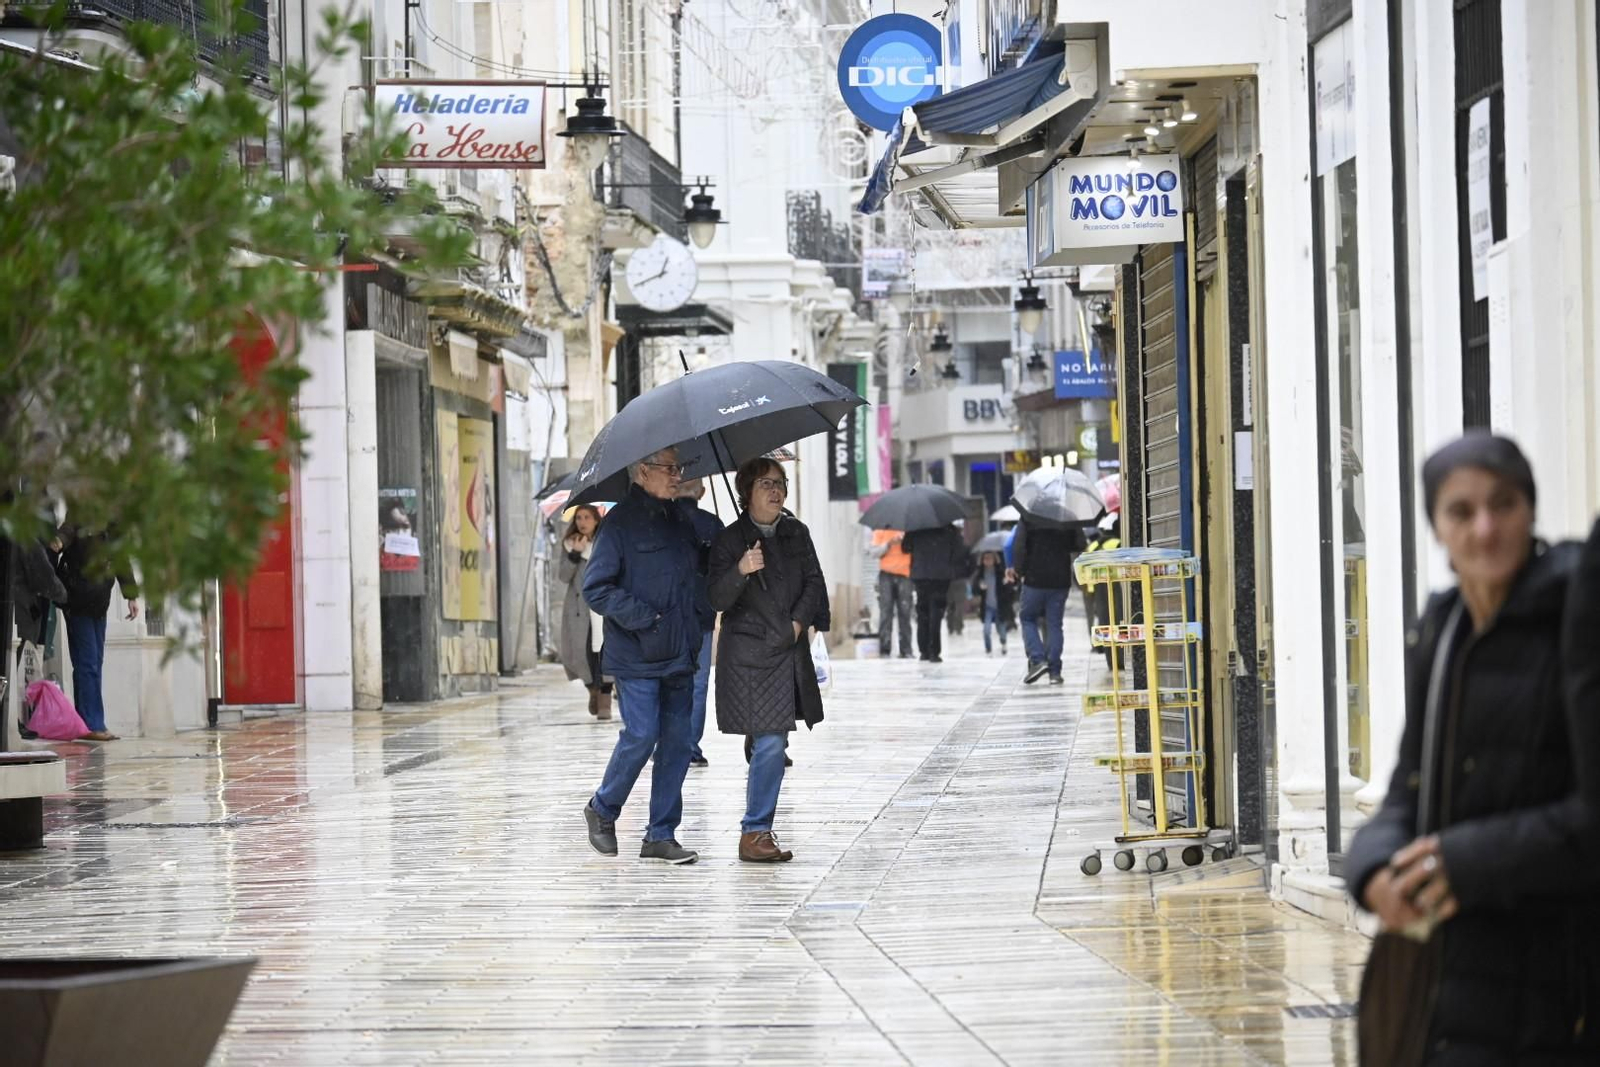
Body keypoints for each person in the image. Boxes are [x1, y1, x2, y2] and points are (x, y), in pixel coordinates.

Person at [1345, 433, 1600, 1064]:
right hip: (1449, 987)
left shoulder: (1576, 619)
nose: (1485, 530)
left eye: (1504, 504)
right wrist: (1373, 871)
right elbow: (1409, 782)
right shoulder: (1443, 627)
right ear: (1435, 526)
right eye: (1461, 512)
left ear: (1531, 510)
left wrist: (1465, 861)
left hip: (1557, 983)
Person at [581, 447, 703, 865]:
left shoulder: (680, 519)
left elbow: (696, 576)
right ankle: (602, 807)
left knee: (678, 743)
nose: (677, 475)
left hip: (679, 650)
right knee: (642, 734)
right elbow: (596, 588)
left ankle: (661, 834)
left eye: (678, 468)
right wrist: (645, 617)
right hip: (637, 653)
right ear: (643, 471)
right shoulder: (619, 524)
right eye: (670, 469)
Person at [707, 458, 829, 863]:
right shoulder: (729, 541)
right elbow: (716, 599)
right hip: (748, 657)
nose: (776, 491)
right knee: (773, 739)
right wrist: (742, 569)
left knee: (773, 739)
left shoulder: (797, 533)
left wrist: (797, 625)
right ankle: (755, 832)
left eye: (780, 483)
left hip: (787, 650)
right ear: (746, 492)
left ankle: (757, 831)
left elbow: (814, 582)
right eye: (765, 484)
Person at [53, 524, 138, 742]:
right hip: (78, 604)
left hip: (99, 605)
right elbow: (66, 532)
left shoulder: (113, 526)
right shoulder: (80, 518)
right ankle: (92, 724)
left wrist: (131, 596)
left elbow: (121, 561)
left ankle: (90, 722)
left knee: (95, 663)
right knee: (87, 663)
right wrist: (59, 542)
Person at [676, 478, 725, 767]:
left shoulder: (660, 520)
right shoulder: (712, 524)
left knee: (670, 680)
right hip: (702, 613)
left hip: (668, 616)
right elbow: (720, 569)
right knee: (698, 683)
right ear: (702, 492)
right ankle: (691, 747)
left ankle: (667, 744)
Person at [1008, 515, 1083, 686]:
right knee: (1054, 624)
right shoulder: (1066, 514)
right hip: (1060, 579)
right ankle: (1055, 672)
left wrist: (1019, 570)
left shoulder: (1029, 515)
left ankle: (1038, 659)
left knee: (1027, 618)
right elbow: (1079, 543)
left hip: (1035, 578)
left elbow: (1018, 546)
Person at [557, 504, 612, 721]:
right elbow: (562, 577)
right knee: (582, 653)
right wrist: (575, 555)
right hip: (578, 609)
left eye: (587, 517)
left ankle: (605, 700)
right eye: (578, 518)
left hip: (603, 607)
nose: (582, 522)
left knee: (606, 651)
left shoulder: (605, 543)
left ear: (596, 520)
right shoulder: (569, 545)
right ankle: (592, 690)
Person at [903, 521, 966, 664]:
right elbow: (959, 552)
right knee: (936, 613)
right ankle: (934, 652)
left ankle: (923, 651)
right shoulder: (950, 529)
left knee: (922, 612)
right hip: (941, 575)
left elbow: (905, 548)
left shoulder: (915, 526)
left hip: (921, 574)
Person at [1080, 512, 1121, 668]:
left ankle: (1109, 658)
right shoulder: (1119, 543)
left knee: (1103, 620)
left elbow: (1082, 568)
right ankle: (1120, 657)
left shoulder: (1092, 546)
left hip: (1096, 589)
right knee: (1118, 619)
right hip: (1116, 586)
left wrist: (1085, 585)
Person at [868, 528, 914, 659]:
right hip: (886, 575)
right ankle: (885, 648)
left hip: (905, 574)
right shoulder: (880, 531)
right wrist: (889, 544)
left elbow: (914, 549)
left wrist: (905, 540)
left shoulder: (909, 529)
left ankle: (906, 649)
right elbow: (873, 552)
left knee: (905, 613)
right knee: (886, 612)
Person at [971, 550, 1014, 655]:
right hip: (987, 607)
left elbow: (1009, 589)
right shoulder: (980, 574)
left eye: (990, 558)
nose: (988, 561)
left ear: (994, 559)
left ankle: (1003, 644)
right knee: (986, 630)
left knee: (1002, 631)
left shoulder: (1000, 572)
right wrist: (979, 587)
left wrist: (1006, 583)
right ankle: (988, 649)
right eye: (985, 558)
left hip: (1000, 606)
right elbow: (974, 589)